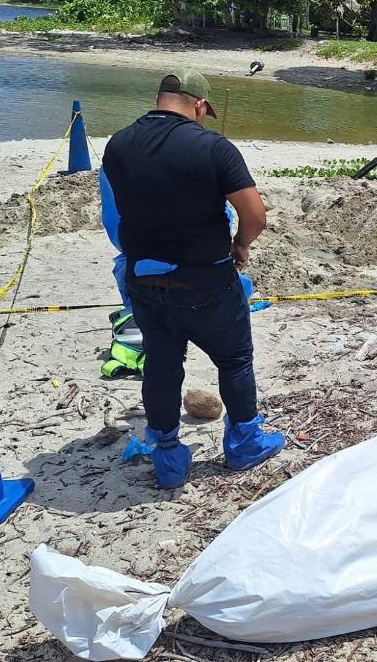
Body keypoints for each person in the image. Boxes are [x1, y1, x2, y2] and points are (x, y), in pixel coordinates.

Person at [102, 68, 285, 488]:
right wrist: (241, 244)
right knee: (234, 360)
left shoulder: (118, 144)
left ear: (162, 98)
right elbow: (254, 214)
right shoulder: (213, 147)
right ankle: (243, 444)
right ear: (199, 105)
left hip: (145, 281)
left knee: (163, 368)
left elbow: (120, 211)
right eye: (206, 112)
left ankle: (168, 457)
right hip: (205, 282)